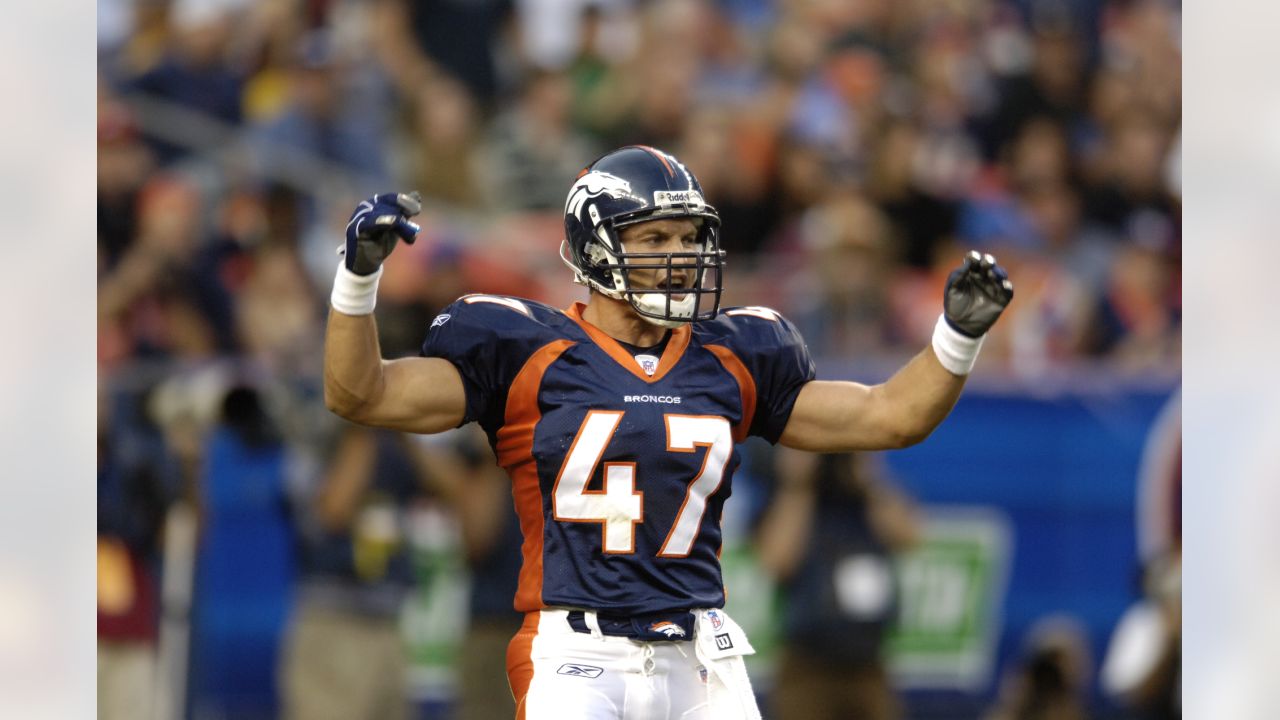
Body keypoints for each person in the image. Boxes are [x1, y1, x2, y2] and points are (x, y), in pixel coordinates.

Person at [322, 145, 1014, 718]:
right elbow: (360, 392)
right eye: (654, 238)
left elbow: (891, 417)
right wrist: (358, 279)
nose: (679, 255)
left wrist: (956, 337)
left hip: (700, 653)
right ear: (593, 249)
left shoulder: (733, 355)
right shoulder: (525, 350)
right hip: (577, 653)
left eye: (688, 237)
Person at [755, 449, 921, 720]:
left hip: (870, 663)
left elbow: (909, 536)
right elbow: (777, 561)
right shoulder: (789, 498)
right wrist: (798, 484)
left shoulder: (867, 497)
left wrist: (869, 477)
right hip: (807, 666)